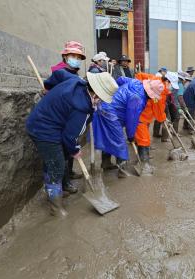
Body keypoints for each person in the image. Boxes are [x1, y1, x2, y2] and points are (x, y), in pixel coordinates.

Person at [26, 72, 117, 217]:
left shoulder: (76, 81)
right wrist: (75, 150)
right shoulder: (82, 108)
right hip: (43, 129)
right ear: (96, 95)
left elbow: (58, 75)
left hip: (49, 120)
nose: (101, 103)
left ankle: (61, 187)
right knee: (56, 165)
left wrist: (48, 87)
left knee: (58, 157)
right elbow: (70, 137)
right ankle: (56, 208)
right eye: (101, 100)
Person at [44, 41, 87, 192]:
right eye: (73, 55)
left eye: (78, 57)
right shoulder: (60, 72)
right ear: (65, 56)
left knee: (69, 149)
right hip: (59, 119)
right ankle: (65, 182)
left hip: (69, 117)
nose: (76, 59)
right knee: (62, 151)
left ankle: (68, 174)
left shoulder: (73, 72)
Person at [93, 77, 147, 178]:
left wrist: (117, 92)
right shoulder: (138, 98)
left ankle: (106, 163)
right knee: (120, 142)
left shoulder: (135, 82)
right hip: (110, 113)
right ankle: (123, 171)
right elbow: (131, 120)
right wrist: (131, 136)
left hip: (104, 105)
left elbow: (120, 79)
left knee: (107, 137)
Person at [134, 73, 168, 175]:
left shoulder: (154, 80)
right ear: (167, 81)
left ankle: (144, 158)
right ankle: (144, 163)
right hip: (139, 116)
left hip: (142, 115)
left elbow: (139, 74)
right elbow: (159, 111)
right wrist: (162, 118)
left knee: (143, 137)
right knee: (144, 138)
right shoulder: (159, 92)